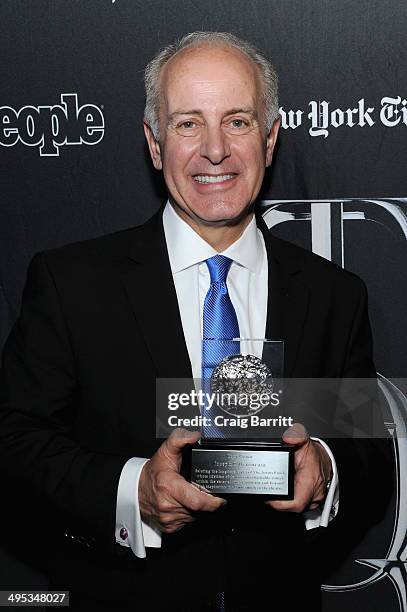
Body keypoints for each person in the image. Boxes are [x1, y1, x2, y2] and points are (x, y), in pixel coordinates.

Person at [0, 32, 391, 611]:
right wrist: (134, 488)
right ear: (154, 144)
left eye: (237, 121)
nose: (215, 150)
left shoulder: (334, 295)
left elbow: (367, 448)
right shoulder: (73, 283)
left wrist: (326, 469)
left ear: (271, 136)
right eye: (187, 124)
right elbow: (14, 439)